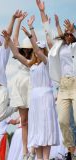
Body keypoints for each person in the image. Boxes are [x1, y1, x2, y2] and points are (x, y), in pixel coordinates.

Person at [2, 16, 60, 158]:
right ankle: (38, 156)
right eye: (35, 49)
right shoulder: (31, 64)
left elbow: (40, 52)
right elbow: (16, 53)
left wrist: (30, 33)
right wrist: (8, 39)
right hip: (34, 98)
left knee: (45, 128)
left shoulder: (47, 63)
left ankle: (45, 157)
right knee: (37, 129)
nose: (36, 51)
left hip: (45, 97)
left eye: (38, 48)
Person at [36, 0, 76, 158]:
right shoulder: (58, 47)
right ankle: (71, 152)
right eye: (65, 33)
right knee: (64, 121)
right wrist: (42, 12)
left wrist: (73, 31)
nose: (67, 35)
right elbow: (48, 32)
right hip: (63, 86)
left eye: (69, 33)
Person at [10, 12, 35, 160]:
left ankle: (32, 148)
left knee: (33, 120)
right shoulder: (19, 52)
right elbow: (14, 40)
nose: (26, 50)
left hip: (31, 85)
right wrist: (18, 22)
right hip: (19, 86)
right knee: (23, 121)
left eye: (28, 48)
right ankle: (25, 151)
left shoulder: (35, 55)